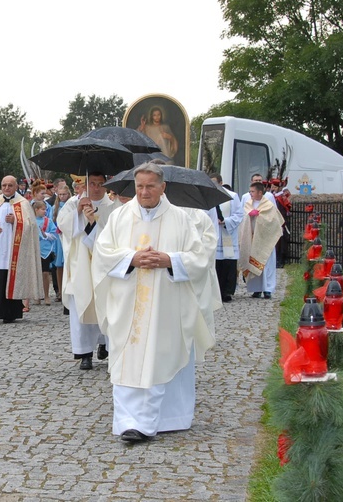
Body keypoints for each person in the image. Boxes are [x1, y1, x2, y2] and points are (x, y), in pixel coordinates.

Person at [92, 163, 215, 443]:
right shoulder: (120, 217)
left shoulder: (181, 219)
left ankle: (160, 421)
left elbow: (200, 258)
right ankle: (127, 422)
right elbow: (102, 253)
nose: (144, 192)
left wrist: (170, 260)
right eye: (140, 187)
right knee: (126, 357)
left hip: (165, 303)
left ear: (163, 187)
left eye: (150, 186)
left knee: (160, 356)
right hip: (127, 302)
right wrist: (130, 259)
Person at [57, 172, 121, 370]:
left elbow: (114, 234)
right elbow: (63, 226)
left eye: (100, 184)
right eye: (92, 183)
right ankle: (85, 352)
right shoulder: (72, 204)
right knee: (82, 306)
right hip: (80, 265)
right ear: (84, 184)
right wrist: (78, 211)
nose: (96, 187)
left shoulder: (113, 207)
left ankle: (105, 345)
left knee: (105, 305)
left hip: (103, 266)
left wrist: (94, 221)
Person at [0, 175, 42, 323]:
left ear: (16, 187)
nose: (6, 188)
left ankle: (12, 312)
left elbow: (31, 226)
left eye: (10, 185)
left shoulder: (23, 203)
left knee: (11, 278)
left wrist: (17, 221)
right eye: (4, 185)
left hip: (15, 250)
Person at [238, 181, 284, 300]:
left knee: (266, 264)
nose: (250, 194)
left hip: (265, 240)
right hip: (252, 238)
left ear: (260, 192)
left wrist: (260, 216)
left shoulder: (268, 205)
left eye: (252, 191)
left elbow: (273, 221)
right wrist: (249, 215)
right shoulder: (248, 203)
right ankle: (256, 289)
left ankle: (268, 289)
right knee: (252, 261)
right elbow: (242, 218)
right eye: (250, 191)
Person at [210, 173, 244, 302]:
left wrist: (225, 221)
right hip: (214, 233)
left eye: (215, 182)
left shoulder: (232, 196)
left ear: (220, 182)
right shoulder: (209, 196)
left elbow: (239, 214)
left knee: (228, 264)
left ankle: (227, 292)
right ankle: (216, 291)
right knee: (216, 263)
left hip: (227, 233)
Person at [33, 200, 58, 306]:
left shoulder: (48, 221)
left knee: (45, 273)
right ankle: (37, 295)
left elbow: (54, 235)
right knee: (35, 273)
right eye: (43, 209)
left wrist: (45, 234)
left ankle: (46, 295)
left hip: (45, 250)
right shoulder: (32, 221)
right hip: (34, 249)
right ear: (36, 210)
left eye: (45, 209)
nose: (45, 211)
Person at [50, 184, 71, 302]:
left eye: (64, 194)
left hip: (68, 235)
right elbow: (51, 222)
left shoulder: (71, 205)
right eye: (60, 194)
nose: (62, 196)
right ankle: (60, 291)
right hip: (58, 237)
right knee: (59, 265)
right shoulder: (55, 207)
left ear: (68, 194)